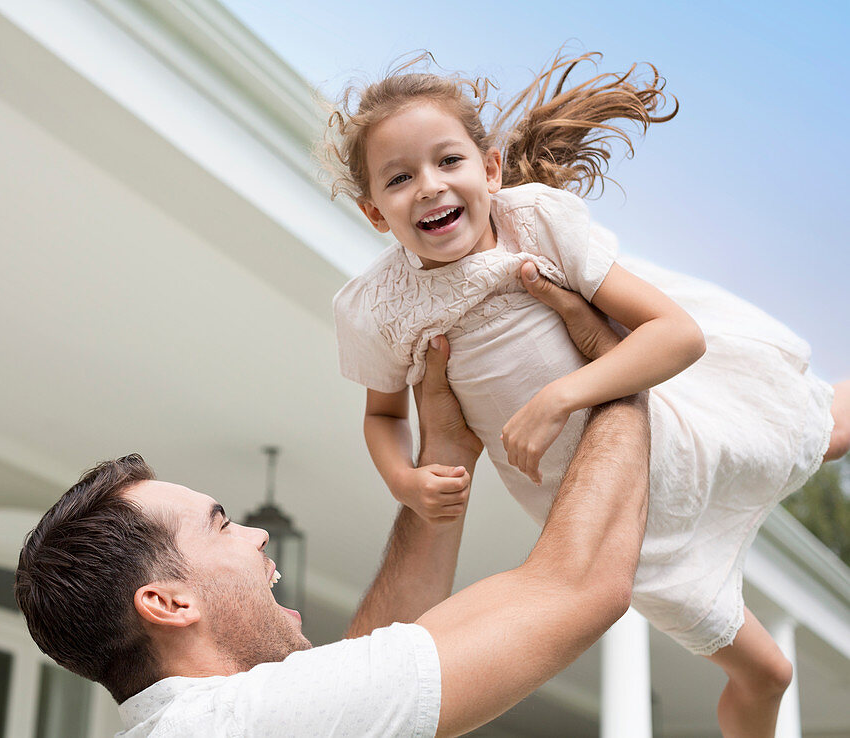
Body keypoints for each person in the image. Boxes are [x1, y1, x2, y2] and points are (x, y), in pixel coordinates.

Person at [324, 50, 850, 737]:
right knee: (768, 673)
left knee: (828, 430)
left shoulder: (534, 223)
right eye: (399, 177)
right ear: (373, 210)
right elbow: (385, 415)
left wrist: (560, 398)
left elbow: (677, 335)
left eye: (447, 162)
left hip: (665, 440)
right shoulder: (376, 305)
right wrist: (405, 479)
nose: (427, 186)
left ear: (490, 168)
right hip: (607, 534)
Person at [15, 275, 650, 737]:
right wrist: (620, 369)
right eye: (221, 526)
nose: (257, 535)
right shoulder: (236, 725)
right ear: (169, 602)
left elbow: (364, 675)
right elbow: (578, 586)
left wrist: (447, 451)